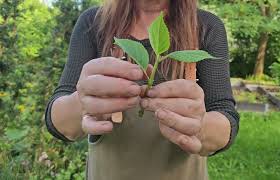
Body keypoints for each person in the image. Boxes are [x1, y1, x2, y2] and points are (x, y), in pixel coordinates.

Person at [45, 0, 240, 179]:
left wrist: (200, 127)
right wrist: (82, 103)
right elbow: (59, 123)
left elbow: (225, 116)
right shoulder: (93, 23)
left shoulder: (206, 27)